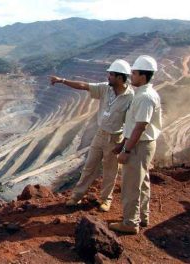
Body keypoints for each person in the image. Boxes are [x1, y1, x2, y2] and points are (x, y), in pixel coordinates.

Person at [49, 59, 133, 212]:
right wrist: (62, 81)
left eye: (111, 74)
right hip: (100, 135)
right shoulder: (105, 88)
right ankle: (76, 196)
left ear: (120, 77)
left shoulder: (130, 97)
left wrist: (123, 145)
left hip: (115, 138)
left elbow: (132, 123)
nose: (108, 76)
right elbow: (83, 86)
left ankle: (106, 200)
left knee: (110, 171)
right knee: (89, 166)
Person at [109, 55, 162, 234]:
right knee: (142, 181)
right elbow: (134, 125)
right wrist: (123, 142)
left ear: (143, 75)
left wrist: (127, 149)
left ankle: (130, 223)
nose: (131, 75)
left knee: (131, 184)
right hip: (141, 144)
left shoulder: (145, 97)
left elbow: (140, 126)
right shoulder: (143, 94)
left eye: (134, 73)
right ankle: (142, 216)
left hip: (139, 146)